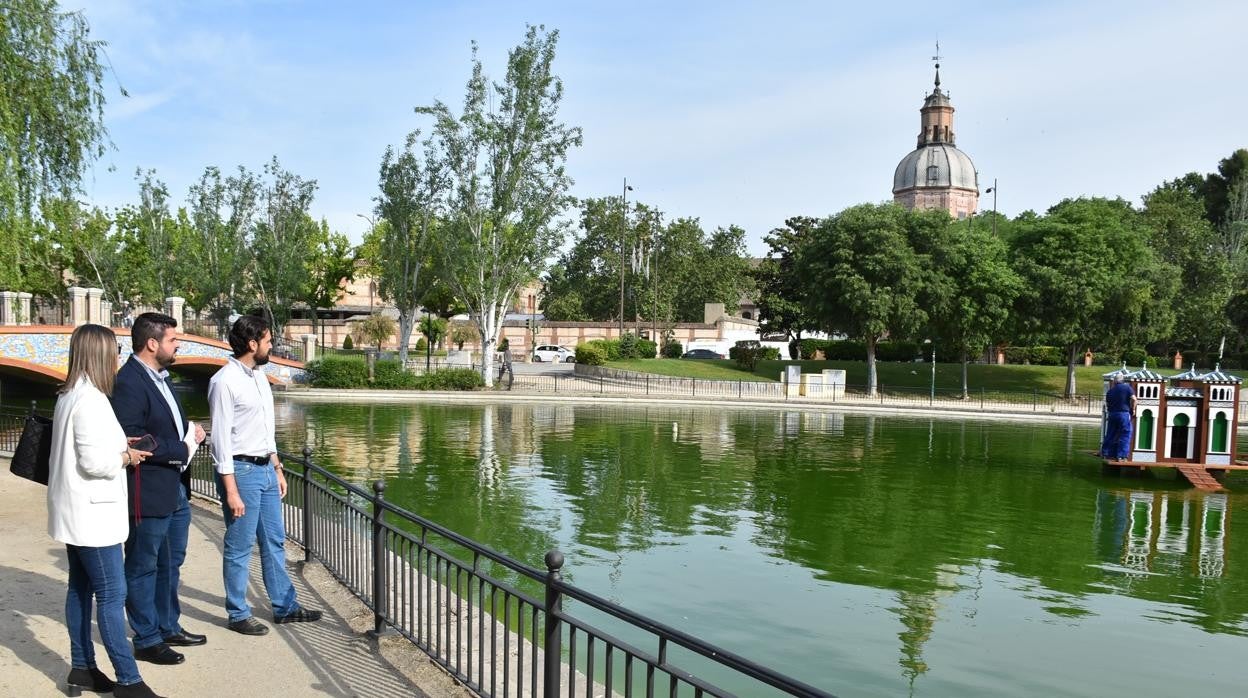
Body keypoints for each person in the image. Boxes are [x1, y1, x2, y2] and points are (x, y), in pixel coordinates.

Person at [48, 324, 164, 698]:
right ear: (99, 354)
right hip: (93, 516)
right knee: (112, 596)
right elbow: (96, 463)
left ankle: (82, 667)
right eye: (114, 351)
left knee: (80, 590)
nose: (118, 358)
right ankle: (128, 681)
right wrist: (127, 455)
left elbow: (87, 449)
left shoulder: (71, 395)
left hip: (76, 511)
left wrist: (119, 442)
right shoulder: (92, 400)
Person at [209, 315, 322, 635]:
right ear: (252, 343)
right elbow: (220, 440)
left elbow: (265, 430)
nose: (273, 345)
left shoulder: (260, 376)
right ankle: (237, 612)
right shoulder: (224, 381)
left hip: (266, 469)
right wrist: (230, 490)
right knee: (240, 544)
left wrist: (277, 467)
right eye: (269, 340)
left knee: (274, 540)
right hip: (241, 472)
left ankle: (284, 606)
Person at [110, 312, 207, 666]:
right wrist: (180, 447)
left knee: (171, 562)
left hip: (174, 488)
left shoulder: (162, 377)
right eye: (173, 339)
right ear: (152, 343)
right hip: (147, 490)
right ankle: (146, 638)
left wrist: (190, 433)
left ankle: (168, 625)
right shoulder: (130, 382)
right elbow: (133, 437)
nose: (178, 344)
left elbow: (163, 430)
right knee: (142, 564)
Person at [1101, 375, 1137, 461]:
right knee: (1125, 433)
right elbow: (1134, 399)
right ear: (1123, 381)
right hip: (1123, 414)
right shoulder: (1127, 388)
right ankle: (1121, 456)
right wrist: (1133, 409)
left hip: (1112, 414)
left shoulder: (1110, 391)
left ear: (1114, 382)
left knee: (1110, 433)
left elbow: (1107, 404)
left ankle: (1105, 453)